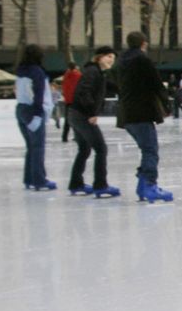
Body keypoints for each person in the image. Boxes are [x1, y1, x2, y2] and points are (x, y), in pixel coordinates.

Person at [116, 32, 174, 201]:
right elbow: (156, 83)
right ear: (143, 43)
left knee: (146, 149)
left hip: (126, 114)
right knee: (150, 150)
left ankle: (143, 187)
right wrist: (166, 104)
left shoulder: (121, 62)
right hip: (141, 112)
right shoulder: (142, 60)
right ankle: (149, 185)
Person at [66, 46, 119, 195]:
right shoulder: (92, 71)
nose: (111, 60)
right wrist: (90, 113)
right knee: (101, 149)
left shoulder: (99, 73)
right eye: (109, 57)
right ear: (99, 57)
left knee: (84, 149)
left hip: (76, 114)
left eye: (113, 58)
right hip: (82, 115)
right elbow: (84, 92)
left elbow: (112, 87)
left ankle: (76, 184)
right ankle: (100, 185)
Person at [15, 44, 56, 191]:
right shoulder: (37, 72)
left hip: (21, 109)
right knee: (37, 147)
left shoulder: (20, 70)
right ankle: (39, 180)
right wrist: (38, 114)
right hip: (33, 110)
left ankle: (29, 179)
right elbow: (38, 94)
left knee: (31, 147)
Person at [61, 61, 81, 143]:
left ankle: (64, 137)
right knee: (77, 119)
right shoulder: (78, 75)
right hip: (76, 101)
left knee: (67, 120)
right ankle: (77, 136)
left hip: (67, 101)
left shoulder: (66, 76)